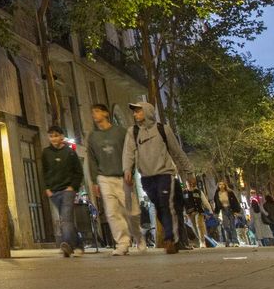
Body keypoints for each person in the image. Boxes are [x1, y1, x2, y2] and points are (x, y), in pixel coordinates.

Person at [122, 101, 195, 254]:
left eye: (138, 111)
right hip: (146, 177)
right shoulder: (133, 132)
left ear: (147, 111)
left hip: (165, 174)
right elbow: (129, 152)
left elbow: (177, 151)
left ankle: (170, 239)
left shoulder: (163, 129)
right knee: (159, 208)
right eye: (134, 112)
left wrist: (189, 172)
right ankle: (174, 236)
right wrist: (127, 169)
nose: (135, 114)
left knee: (166, 205)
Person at [86, 104, 141, 256]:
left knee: (132, 212)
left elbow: (130, 151)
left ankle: (138, 235)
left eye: (97, 111)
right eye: (92, 112)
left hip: (122, 176)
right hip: (104, 177)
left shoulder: (120, 132)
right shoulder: (93, 137)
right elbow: (91, 159)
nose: (94, 115)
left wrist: (130, 170)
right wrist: (94, 181)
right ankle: (122, 243)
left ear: (106, 113)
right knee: (112, 212)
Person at [42, 125, 83, 257]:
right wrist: (47, 188)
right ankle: (78, 245)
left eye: (56, 135)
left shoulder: (70, 152)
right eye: (51, 136)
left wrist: (73, 187)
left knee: (65, 219)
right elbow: (43, 171)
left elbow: (78, 172)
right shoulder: (46, 153)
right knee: (67, 219)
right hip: (54, 191)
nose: (53, 139)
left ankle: (67, 244)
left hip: (68, 190)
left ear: (62, 137)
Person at [212, 180, 243, 246]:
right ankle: (230, 239)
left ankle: (235, 242)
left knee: (232, 226)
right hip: (223, 210)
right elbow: (216, 203)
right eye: (220, 184)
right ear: (218, 186)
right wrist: (216, 212)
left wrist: (236, 211)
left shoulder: (230, 192)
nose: (221, 186)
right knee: (225, 226)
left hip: (230, 209)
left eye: (223, 184)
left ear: (225, 185)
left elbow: (235, 202)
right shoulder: (217, 194)